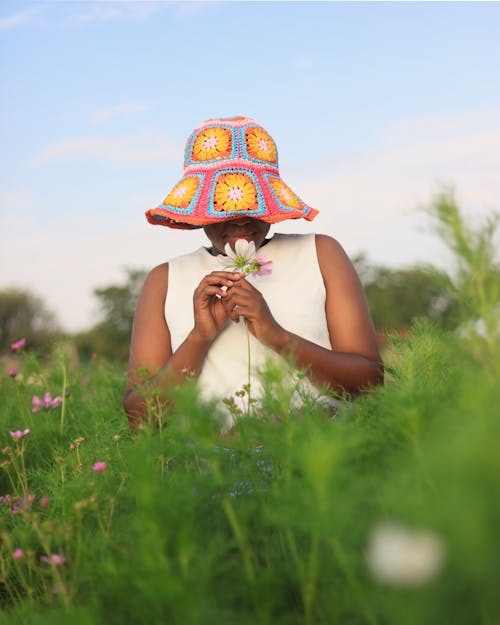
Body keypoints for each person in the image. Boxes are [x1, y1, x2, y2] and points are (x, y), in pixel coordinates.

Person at [123, 115, 383, 431]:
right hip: (211, 472)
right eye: (222, 206)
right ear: (199, 212)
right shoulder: (165, 280)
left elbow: (370, 383)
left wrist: (275, 334)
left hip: (318, 456)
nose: (240, 218)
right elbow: (140, 419)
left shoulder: (321, 253)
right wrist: (199, 337)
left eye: (253, 203)